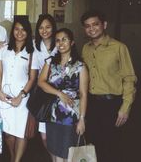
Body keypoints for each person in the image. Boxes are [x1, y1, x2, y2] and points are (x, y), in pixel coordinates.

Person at [80, 10, 137, 162]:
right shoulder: (86, 48)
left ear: (104, 25)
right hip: (91, 105)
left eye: (95, 24)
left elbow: (129, 79)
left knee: (112, 147)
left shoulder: (119, 47)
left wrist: (125, 108)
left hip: (112, 105)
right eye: (87, 26)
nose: (91, 28)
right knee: (92, 146)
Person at [38, 28, 88, 162]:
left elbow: (83, 94)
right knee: (54, 151)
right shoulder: (51, 63)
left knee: (67, 153)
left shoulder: (80, 66)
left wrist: (82, 119)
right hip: (53, 115)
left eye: (64, 39)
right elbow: (41, 82)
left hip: (71, 116)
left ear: (72, 42)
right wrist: (59, 93)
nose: (61, 43)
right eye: (58, 40)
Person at [0, 16, 36, 162]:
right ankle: (13, 157)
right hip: (4, 96)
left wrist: (21, 95)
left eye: (24, 30)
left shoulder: (32, 52)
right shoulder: (4, 49)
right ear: (12, 31)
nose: (20, 33)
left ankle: (17, 160)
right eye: (17, 29)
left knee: (20, 133)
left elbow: (32, 78)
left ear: (28, 32)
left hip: (22, 99)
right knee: (7, 133)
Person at [31, 14, 57, 147]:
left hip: (60, 90)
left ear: (53, 28)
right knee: (45, 135)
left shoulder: (60, 43)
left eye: (48, 27)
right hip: (43, 91)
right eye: (41, 28)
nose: (44, 30)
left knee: (58, 132)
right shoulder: (35, 45)